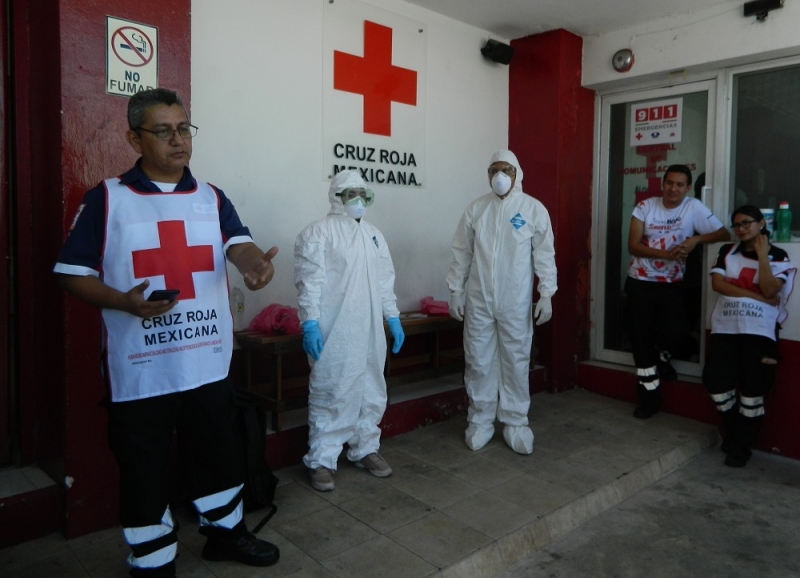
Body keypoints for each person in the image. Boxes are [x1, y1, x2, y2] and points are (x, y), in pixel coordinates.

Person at [53, 88, 280, 577]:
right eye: (163, 131)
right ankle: (152, 559)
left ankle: (226, 534)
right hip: (142, 369)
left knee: (219, 454)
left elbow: (238, 245)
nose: (178, 140)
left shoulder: (211, 197)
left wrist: (254, 266)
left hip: (206, 360)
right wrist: (124, 302)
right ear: (134, 138)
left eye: (183, 129)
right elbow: (71, 273)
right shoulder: (107, 199)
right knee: (144, 466)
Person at [294, 170, 404, 492]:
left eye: (362, 194)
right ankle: (322, 459)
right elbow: (309, 282)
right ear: (336, 196)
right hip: (335, 329)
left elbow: (385, 281)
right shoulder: (318, 232)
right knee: (333, 388)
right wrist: (310, 322)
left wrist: (392, 317)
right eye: (350, 193)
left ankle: (365, 447)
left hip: (370, 329)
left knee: (371, 386)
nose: (357, 200)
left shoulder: (374, 235)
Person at [446, 149, 557, 455]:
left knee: (515, 360)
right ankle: (480, 420)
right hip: (480, 299)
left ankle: (515, 422)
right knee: (478, 360)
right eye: (494, 170)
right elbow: (461, 252)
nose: (499, 176)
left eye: (506, 169)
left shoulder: (533, 209)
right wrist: (455, 290)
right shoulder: (476, 209)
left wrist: (546, 293)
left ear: (517, 174)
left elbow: (545, 254)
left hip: (515, 300)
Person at [625, 164, 730, 419]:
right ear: (663, 184)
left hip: (671, 283)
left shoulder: (693, 207)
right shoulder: (645, 207)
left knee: (676, 333)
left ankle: (661, 357)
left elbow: (723, 233)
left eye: (680, 185)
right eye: (669, 183)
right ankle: (649, 397)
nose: (674, 188)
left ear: (688, 188)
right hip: (640, 281)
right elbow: (633, 246)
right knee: (641, 339)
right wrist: (666, 254)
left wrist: (695, 240)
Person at [703, 206, 795, 467]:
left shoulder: (778, 255)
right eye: (736, 225)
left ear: (761, 224)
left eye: (746, 223)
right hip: (725, 329)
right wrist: (758, 297)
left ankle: (740, 447)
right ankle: (736, 433)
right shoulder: (727, 251)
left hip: (760, 331)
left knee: (753, 392)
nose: (741, 229)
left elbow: (770, 289)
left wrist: (763, 257)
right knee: (715, 382)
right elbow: (718, 285)